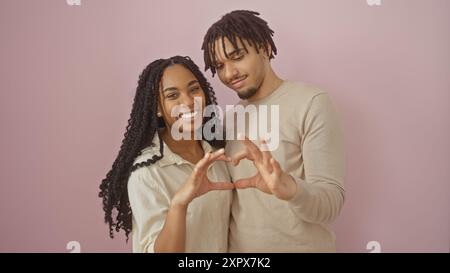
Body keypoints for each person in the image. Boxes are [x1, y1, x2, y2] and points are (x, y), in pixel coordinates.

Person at [201, 10, 346, 252]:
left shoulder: (311, 103)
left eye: (237, 57)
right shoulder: (228, 120)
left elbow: (331, 204)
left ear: (265, 47)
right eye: (220, 66)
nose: (229, 74)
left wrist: (291, 189)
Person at [98, 56, 234, 252]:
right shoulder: (146, 173)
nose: (188, 102)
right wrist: (179, 204)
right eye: (172, 95)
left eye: (194, 89)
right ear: (158, 108)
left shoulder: (215, 152)